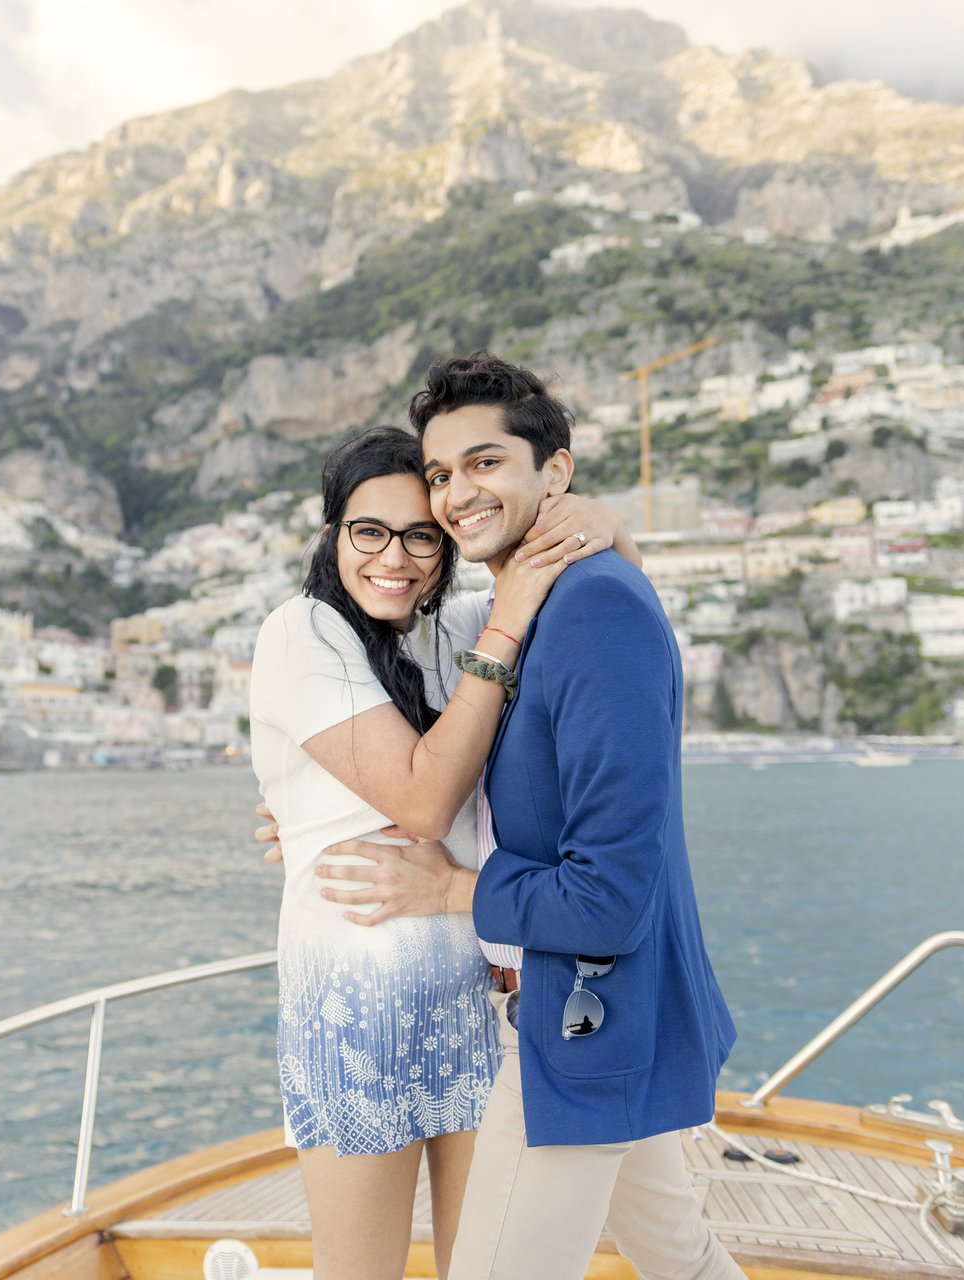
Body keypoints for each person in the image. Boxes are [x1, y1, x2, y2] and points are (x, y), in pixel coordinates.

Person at [313, 354, 742, 1280]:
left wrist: (451, 890)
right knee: (681, 1258)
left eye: (485, 462)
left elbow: (612, 896)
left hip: (589, 1022)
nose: (456, 493)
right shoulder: (534, 606)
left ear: (555, 470)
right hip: (597, 1014)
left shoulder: (591, 611)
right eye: (440, 473)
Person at [249, 424, 637, 1280]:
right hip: (351, 1015)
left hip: (472, 1005)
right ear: (331, 535)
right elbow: (424, 802)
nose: (399, 557)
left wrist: (604, 519)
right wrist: (503, 632)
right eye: (369, 531)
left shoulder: (447, 627)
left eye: (422, 533)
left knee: (484, 1267)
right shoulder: (301, 632)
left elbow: (610, 594)